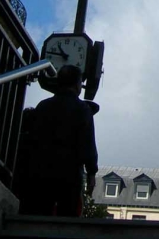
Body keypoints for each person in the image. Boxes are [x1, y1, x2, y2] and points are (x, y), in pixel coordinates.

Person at [18, 65, 99, 216]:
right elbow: (87, 142)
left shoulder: (43, 106)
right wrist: (91, 172)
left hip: (41, 169)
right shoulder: (82, 109)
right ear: (77, 84)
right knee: (67, 215)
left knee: (41, 211)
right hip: (70, 171)